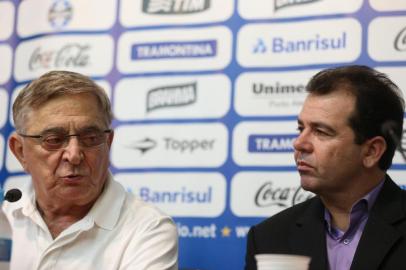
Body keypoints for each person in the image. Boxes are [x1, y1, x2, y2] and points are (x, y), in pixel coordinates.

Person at [6, 70, 178, 270]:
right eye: (53, 140)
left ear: (108, 142)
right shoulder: (5, 216)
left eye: (90, 138)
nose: (74, 154)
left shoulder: (148, 228)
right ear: (20, 152)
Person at [245, 65, 406, 270]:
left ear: (371, 151)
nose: (299, 143)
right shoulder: (268, 238)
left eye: (321, 131)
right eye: (301, 128)